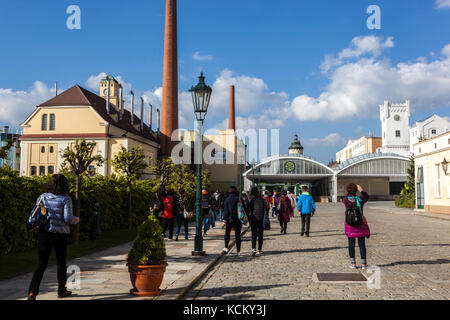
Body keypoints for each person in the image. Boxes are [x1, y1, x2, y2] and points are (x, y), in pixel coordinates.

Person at [27, 174, 80, 300]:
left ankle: (32, 292)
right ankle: (61, 291)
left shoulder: (42, 197)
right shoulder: (66, 198)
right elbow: (67, 218)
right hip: (60, 235)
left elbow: (38, 215)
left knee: (41, 264)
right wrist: (76, 220)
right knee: (61, 263)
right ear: (64, 185)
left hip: (44, 234)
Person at [343, 183, 370, 269]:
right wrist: (360, 189)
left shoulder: (346, 200)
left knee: (351, 244)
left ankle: (353, 263)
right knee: (362, 244)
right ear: (356, 191)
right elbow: (367, 196)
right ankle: (363, 264)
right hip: (360, 224)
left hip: (350, 225)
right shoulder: (360, 199)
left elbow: (346, 196)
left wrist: (350, 191)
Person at [247, 187, 268, 256]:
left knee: (254, 234)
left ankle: (253, 249)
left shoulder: (252, 200)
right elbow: (266, 208)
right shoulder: (263, 200)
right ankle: (260, 249)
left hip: (254, 219)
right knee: (260, 234)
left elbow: (248, 210)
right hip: (261, 219)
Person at [223, 186, 242, 255]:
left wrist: (224, 219)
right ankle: (238, 251)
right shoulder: (239, 199)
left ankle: (226, 247)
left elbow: (226, 211)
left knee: (227, 233)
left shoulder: (227, 200)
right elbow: (242, 209)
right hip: (238, 219)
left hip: (229, 219)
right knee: (238, 236)